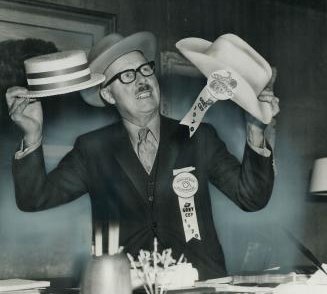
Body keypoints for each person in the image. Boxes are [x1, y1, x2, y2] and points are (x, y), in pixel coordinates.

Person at [6, 32, 279, 280]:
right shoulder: (91, 149)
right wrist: (32, 135)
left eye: (145, 69)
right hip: (126, 285)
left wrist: (256, 131)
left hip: (200, 283)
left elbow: (251, 198)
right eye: (127, 76)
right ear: (108, 95)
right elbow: (34, 199)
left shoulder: (200, 136)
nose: (142, 80)